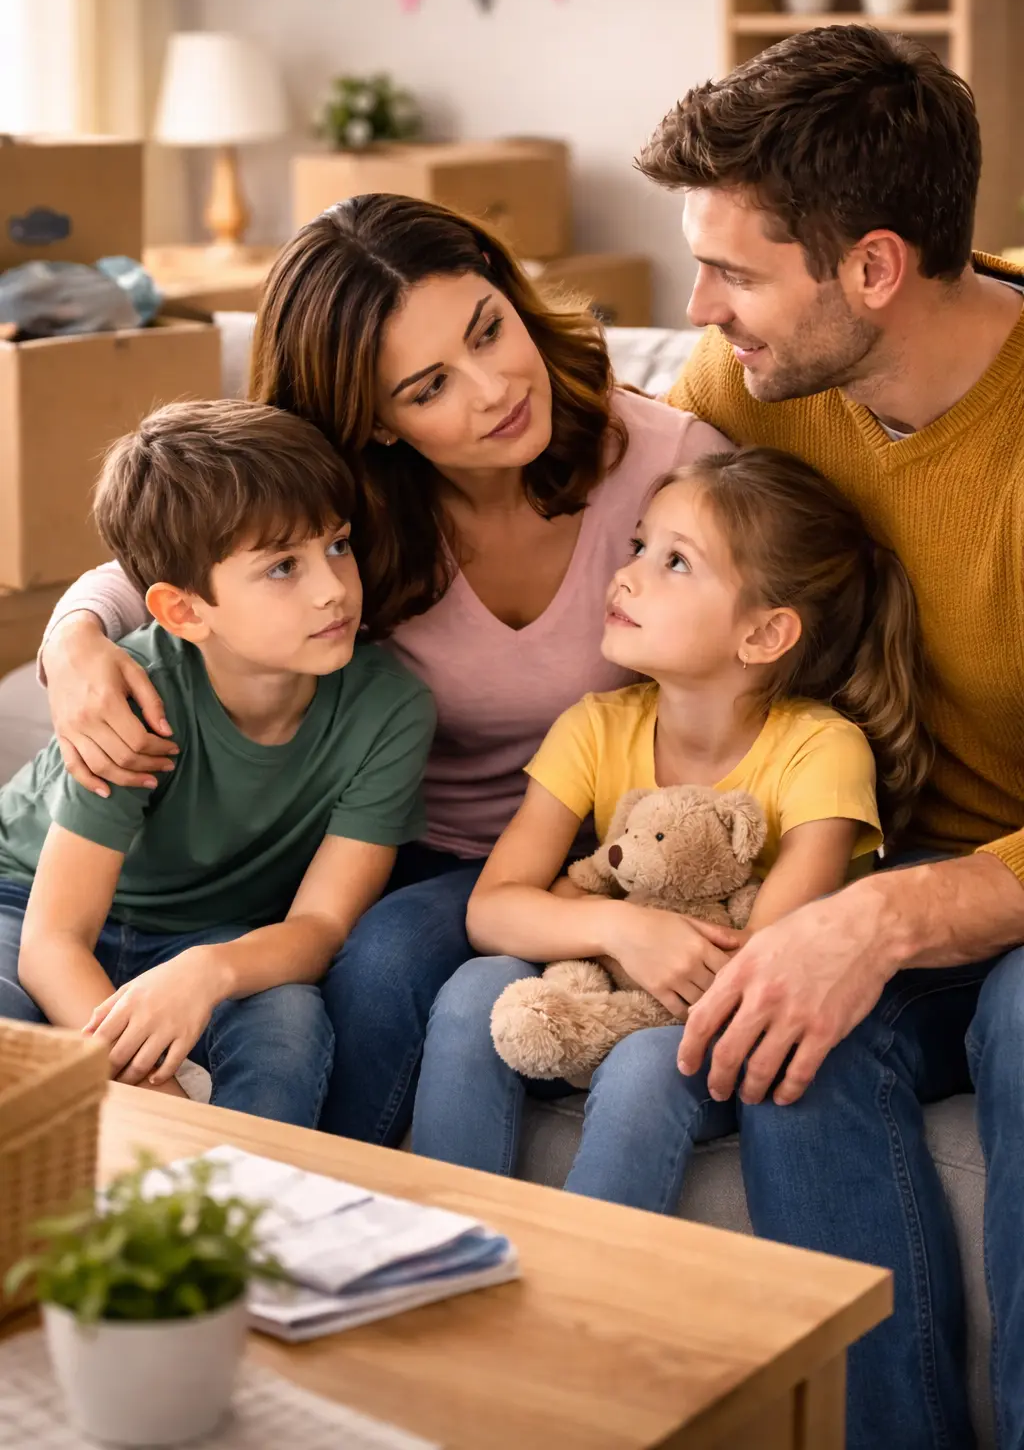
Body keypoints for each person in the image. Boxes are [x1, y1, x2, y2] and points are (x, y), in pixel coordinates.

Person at [30, 196, 727, 1144]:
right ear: (379, 423)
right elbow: (165, 564)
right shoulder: (335, 496)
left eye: (490, 330)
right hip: (409, 840)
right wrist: (73, 639)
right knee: (375, 960)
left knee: (381, 962)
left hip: (599, 841)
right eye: (429, 386)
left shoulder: (672, 469)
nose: (492, 390)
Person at [635, 25, 1024, 1450]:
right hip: (876, 840)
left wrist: (902, 910)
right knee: (783, 1041)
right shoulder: (746, 394)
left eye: (734, 272)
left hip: (1000, 888)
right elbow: (511, 488)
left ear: (872, 268)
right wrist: (88, 617)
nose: (697, 307)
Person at [411, 445, 927, 1209]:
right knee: (473, 991)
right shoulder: (595, 726)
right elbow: (492, 911)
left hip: (727, 1013)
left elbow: (760, 964)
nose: (627, 575)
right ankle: (437, 1258)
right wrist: (621, 930)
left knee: (647, 1066)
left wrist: (571, 911)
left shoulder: (823, 750)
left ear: (763, 635)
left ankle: (586, 1300)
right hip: (612, 971)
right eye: (638, 545)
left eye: (676, 562)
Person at [0, 400, 434, 1128]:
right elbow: (52, 943)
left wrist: (211, 970)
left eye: (337, 545)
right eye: (281, 568)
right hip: (25, 900)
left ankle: (239, 1225)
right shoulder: (136, 694)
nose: (333, 587)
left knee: (289, 1031)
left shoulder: (390, 709)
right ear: (183, 612)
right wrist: (156, 1098)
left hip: (213, 931)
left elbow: (322, 925)